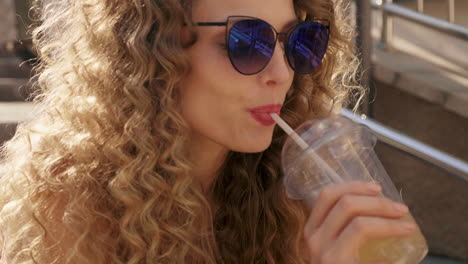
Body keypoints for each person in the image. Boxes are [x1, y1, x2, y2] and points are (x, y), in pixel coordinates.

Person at [0, 0, 416, 263]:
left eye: (298, 41)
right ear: (155, 51)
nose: (282, 72)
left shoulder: (288, 190)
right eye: (247, 43)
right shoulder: (69, 202)